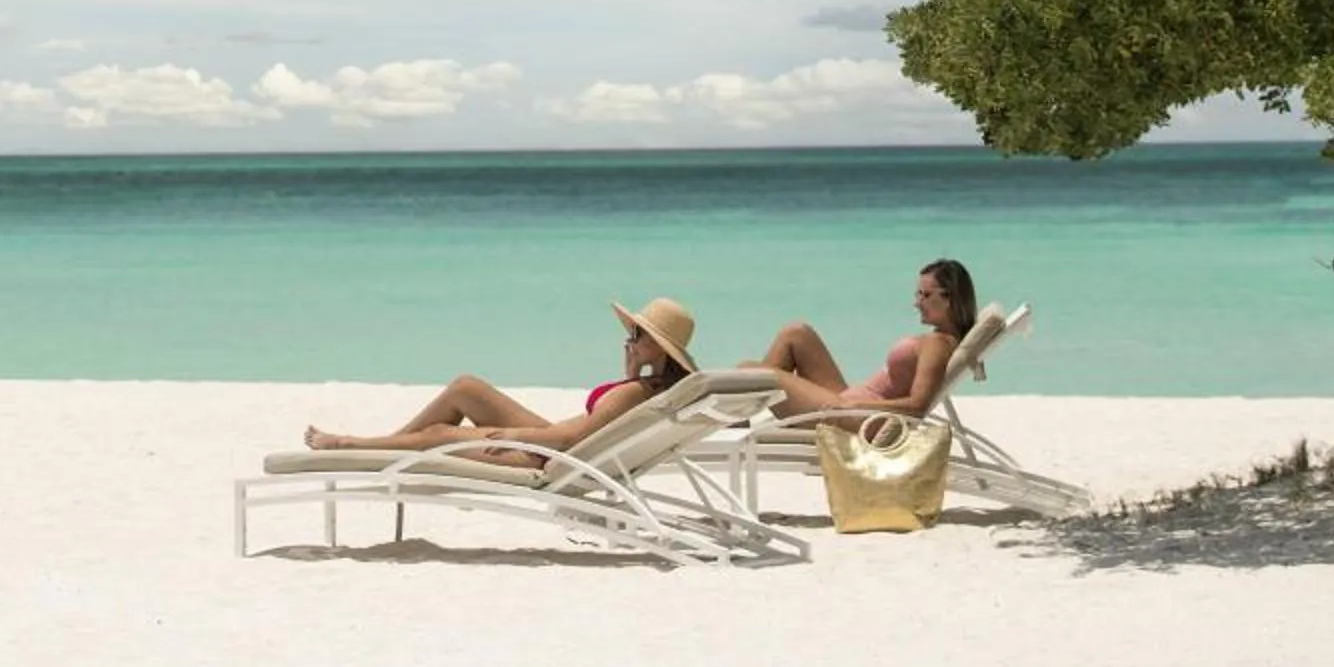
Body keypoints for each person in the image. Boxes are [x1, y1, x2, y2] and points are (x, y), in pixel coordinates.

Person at [301, 297, 698, 468]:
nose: (629, 338)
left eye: (638, 334)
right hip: (560, 444)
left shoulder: (638, 392)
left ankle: (353, 445)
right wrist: (630, 373)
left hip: (551, 455)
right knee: (466, 387)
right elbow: (602, 428)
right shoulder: (648, 388)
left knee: (439, 435)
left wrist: (513, 435)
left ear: (659, 347)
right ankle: (389, 447)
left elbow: (572, 440)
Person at [747, 258, 977, 420]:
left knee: (749, 371)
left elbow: (917, 406)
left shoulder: (937, 345)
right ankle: (743, 417)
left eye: (925, 295)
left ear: (949, 298)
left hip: (855, 417)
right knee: (796, 333)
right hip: (850, 406)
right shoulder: (941, 340)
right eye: (918, 294)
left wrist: (856, 404)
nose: (917, 303)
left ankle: (738, 419)